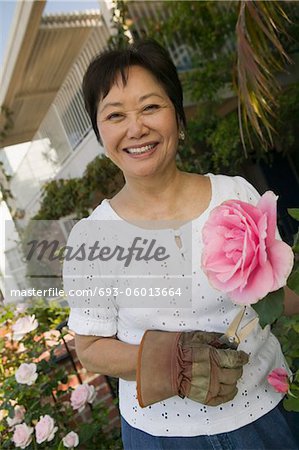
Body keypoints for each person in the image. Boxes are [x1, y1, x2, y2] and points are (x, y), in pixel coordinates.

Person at [64, 39, 299, 449]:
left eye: (151, 107)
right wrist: (172, 362)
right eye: (116, 115)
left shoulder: (236, 196)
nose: (136, 128)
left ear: (177, 112)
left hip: (266, 413)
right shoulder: (92, 238)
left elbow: (278, 293)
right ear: (100, 132)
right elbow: (91, 349)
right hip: (164, 437)